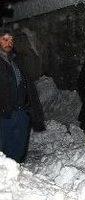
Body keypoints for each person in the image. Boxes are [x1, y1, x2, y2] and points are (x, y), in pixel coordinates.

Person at [0, 30, 45, 162]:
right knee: (3, 148)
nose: (9, 42)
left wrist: (31, 109)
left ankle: (14, 172)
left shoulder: (16, 61)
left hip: (20, 112)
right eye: (5, 39)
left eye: (11, 40)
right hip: (4, 114)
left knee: (19, 147)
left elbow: (28, 86)